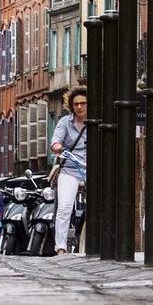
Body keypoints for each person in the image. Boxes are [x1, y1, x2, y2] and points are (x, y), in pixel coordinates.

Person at [48, 87, 87, 255]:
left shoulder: (96, 120)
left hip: (92, 169)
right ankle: (61, 248)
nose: (79, 107)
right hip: (70, 168)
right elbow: (55, 140)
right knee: (64, 207)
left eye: (83, 103)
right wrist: (58, 147)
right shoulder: (65, 122)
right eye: (76, 104)